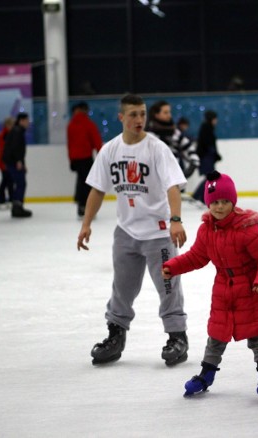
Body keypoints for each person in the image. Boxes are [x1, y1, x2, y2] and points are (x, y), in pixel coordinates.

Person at [77, 94, 190, 367]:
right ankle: (115, 336)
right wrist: (86, 224)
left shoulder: (157, 149)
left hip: (158, 233)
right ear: (121, 118)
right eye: (133, 115)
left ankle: (177, 338)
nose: (139, 120)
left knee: (168, 287)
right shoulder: (110, 150)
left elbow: (173, 186)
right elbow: (97, 189)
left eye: (142, 114)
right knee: (122, 289)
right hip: (126, 233)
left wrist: (175, 219)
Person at [162, 171, 258, 400]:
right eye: (214, 202)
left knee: (256, 336)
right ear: (208, 203)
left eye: (225, 201)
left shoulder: (247, 228)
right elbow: (197, 256)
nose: (219, 206)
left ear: (233, 202)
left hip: (250, 290)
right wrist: (173, 266)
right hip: (223, 291)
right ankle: (206, 374)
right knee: (216, 335)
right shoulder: (207, 230)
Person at [146, 100, 199, 178]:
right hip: (154, 176)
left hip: (174, 175)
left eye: (169, 112)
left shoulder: (174, 132)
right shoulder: (148, 134)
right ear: (156, 114)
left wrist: (193, 164)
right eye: (165, 112)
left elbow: (188, 147)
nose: (169, 115)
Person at [67, 101, 103, 218]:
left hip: (76, 158)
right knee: (87, 182)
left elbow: (70, 144)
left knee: (81, 180)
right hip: (86, 157)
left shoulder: (71, 125)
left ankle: (81, 204)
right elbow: (96, 141)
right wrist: (101, 155)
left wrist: (71, 159)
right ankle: (86, 206)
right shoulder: (88, 124)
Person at [2, 112, 32, 218]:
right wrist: (19, 161)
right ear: (21, 121)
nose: (28, 123)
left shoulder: (17, 131)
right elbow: (15, 148)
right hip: (13, 162)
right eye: (27, 120)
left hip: (13, 161)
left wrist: (22, 162)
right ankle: (17, 207)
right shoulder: (17, 131)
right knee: (21, 183)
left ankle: (17, 206)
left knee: (20, 183)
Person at [192, 110, 221, 204]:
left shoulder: (208, 128)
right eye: (215, 118)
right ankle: (198, 196)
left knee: (211, 177)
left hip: (207, 157)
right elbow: (208, 144)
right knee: (211, 177)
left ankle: (201, 197)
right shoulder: (207, 128)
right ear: (211, 119)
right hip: (206, 157)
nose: (216, 121)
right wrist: (215, 154)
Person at [0, 117, 15, 209]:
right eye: (11, 124)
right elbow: (3, 150)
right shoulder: (4, 135)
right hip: (4, 161)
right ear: (7, 125)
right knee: (6, 180)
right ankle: (3, 199)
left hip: (7, 161)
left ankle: (7, 199)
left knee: (8, 181)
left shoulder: (9, 134)